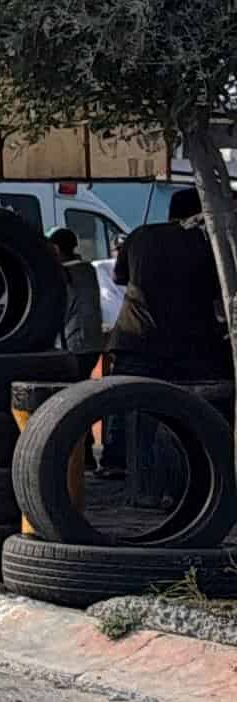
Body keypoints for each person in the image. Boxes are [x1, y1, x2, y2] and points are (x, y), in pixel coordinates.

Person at [105, 189, 232, 511]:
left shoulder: (140, 235)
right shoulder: (207, 242)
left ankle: (129, 478)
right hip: (191, 343)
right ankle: (185, 483)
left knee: (134, 411)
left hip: (134, 336)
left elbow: (120, 277)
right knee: (187, 415)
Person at [51, 227, 106, 361]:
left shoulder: (60, 274)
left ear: (56, 248)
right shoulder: (89, 270)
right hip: (94, 342)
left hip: (72, 344)